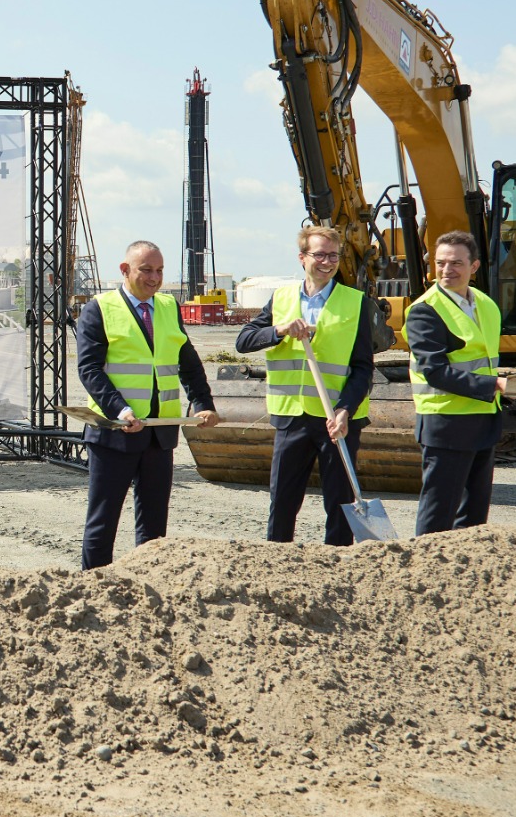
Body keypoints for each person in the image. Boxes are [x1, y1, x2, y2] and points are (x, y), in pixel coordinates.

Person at [76, 240, 220, 569]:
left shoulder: (169, 307)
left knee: (155, 529)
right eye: (146, 270)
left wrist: (202, 402)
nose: (154, 278)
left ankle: (149, 588)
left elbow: (189, 363)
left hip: (159, 435)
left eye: (159, 271)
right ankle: (94, 589)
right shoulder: (99, 308)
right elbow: (89, 370)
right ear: (125, 270)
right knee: (103, 522)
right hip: (114, 434)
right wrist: (120, 410)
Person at [235, 226, 378, 545]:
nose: (327, 262)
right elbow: (243, 341)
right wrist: (280, 330)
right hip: (291, 418)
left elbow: (362, 367)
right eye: (319, 254)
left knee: (341, 504)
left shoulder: (355, 303)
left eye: (333, 255)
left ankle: (338, 571)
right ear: (302, 258)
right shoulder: (281, 298)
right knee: (283, 502)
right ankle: (277, 564)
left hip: (337, 421)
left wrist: (345, 410)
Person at [404, 230, 506, 536]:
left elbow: (484, 358)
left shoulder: (487, 305)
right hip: (445, 424)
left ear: (474, 266)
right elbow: (435, 371)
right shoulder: (424, 311)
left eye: (456, 263)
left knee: (474, 518)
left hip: (483, 419)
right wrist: (493, 386)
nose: (447, 270)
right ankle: (425, 575)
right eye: (440, 263)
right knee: (438, 517)